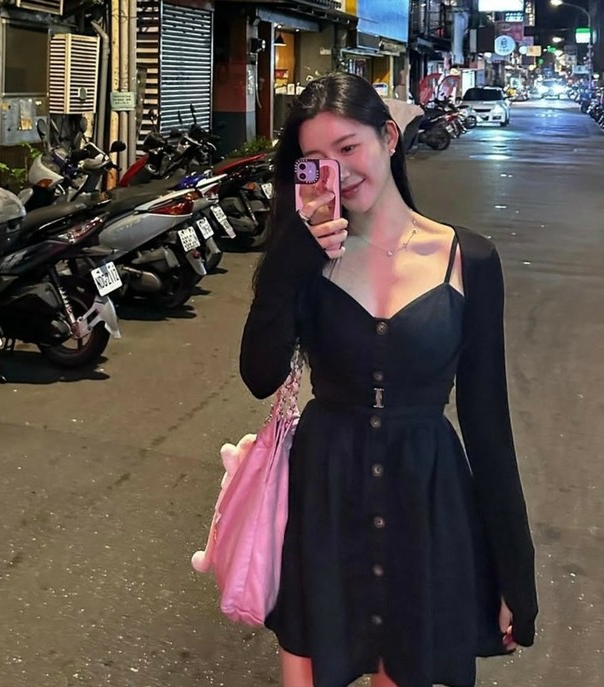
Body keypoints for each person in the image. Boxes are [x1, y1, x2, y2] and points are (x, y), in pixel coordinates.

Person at [239, 72, 537, 687]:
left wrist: (515, 571)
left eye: (349, 147)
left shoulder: (469, 259)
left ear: (389, 137)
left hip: (425, 503)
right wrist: (290, 259)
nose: (338, 172)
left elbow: (488, 423)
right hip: (323, 501)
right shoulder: (307, 258)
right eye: (315, 161)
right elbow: (259, 375)